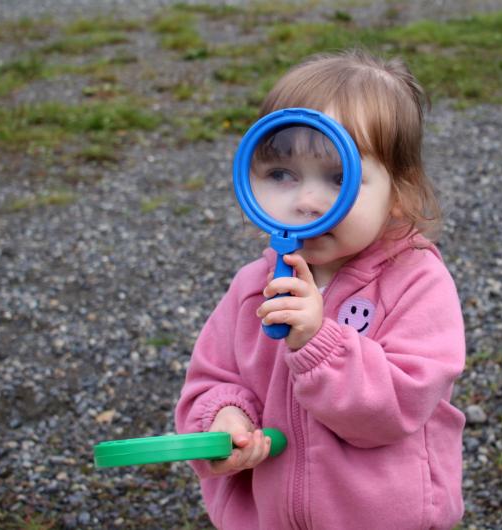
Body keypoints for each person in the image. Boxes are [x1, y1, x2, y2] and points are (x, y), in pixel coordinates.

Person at [175, 49, 465, 530]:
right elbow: (211, 379)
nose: (307, 201)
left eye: (338, 177)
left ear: (400, 194)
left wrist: (317, 344)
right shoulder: (254, 287)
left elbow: (395, 409)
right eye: (281, 174)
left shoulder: (417, 284)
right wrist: (224, 420)